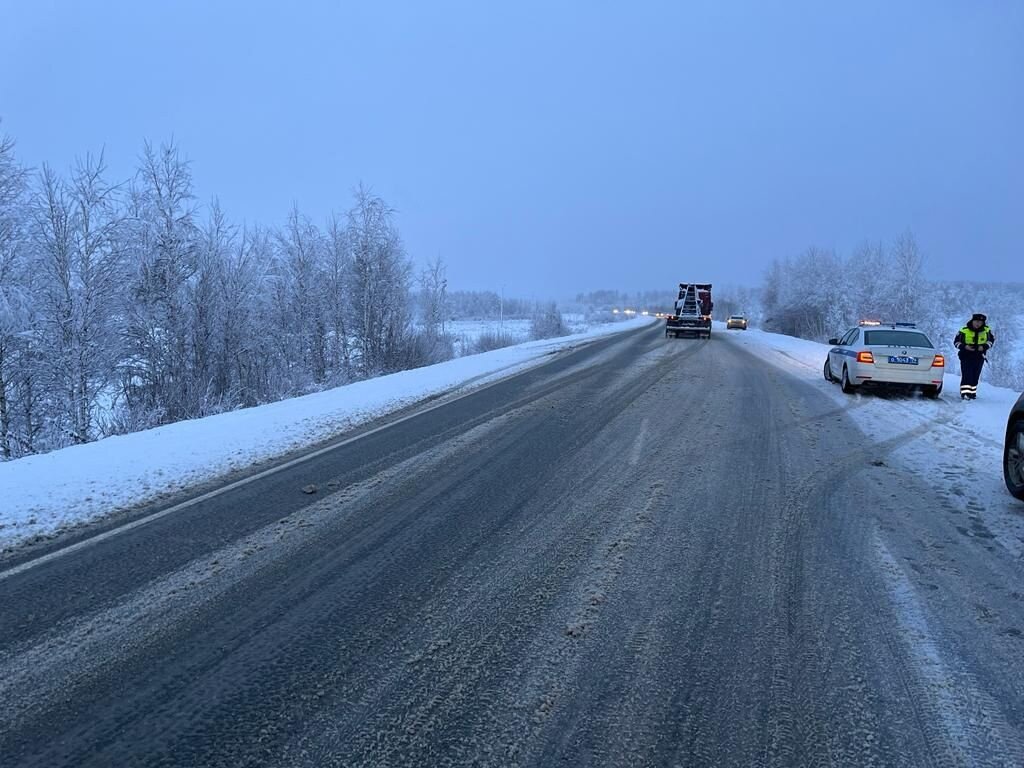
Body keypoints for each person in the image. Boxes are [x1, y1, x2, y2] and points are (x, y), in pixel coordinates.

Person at [954, 313, 995, 400]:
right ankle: (965, 393)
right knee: (967, 375)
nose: (978, 324)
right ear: (972, 321)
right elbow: (956, 342)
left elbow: (991, 341)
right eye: (976, 321)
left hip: (979, 356)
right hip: (966, 355)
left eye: (980, 322)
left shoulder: (987, 331)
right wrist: (965, 347)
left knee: (975, 375)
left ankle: (972, 393)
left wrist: (983, 347)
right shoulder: (964, 330)